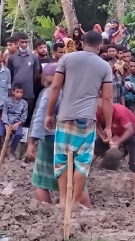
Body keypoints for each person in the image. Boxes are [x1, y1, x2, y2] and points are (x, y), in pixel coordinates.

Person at [46, 30, 113, 209]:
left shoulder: (67, 59)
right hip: (86, 120)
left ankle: (63, 200)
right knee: (82, 161)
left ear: (82, 43)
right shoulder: (105, 66)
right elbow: (107, 99)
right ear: (99, 46)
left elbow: (55, 87)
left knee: (61, 159)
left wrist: (48, 114)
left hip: (65, 117)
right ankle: (74, 202)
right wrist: (107, 127)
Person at [26, 63, 68, 202]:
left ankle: (47, 212)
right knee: (74, 178)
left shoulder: (48, 93)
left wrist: (31, 142)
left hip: (50, 137)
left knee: (41, 179)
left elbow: (39, 118)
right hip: (71, 138)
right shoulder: (71, 91)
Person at [96, 101, 135, 200]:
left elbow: (130, 130)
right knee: (95, 148)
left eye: (104, 114)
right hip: (114, 131)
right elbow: (96, 126)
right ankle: (83, 177)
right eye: (101, 114)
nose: (102, 116)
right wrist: (103, 136)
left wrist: (119, 141)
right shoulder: (97, 112)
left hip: (133, 131)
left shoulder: (120, 112)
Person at [7, 32, 40, 126]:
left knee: (29, 114)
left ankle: (27, 136)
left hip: (29, 92)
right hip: (15, 91)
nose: (24, 44)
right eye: (22, 42)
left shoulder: (33, 57)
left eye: (26, 42)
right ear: (17, 43)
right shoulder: (12, 58)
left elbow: (36, 74)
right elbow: (10, 74)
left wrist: (28, 83)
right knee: (14, 113)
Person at [0, 84, 28, 160]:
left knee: (19, 135)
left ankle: (11, 151)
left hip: (17, 123)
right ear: (13, 92)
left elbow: (24, 117)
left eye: (21, 92)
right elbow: (4, 113)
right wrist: (6, 125)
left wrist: (17, 124)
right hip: (6, 122)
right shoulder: (7, 100)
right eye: (17, 92)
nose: (19, 94)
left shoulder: (24, 103)